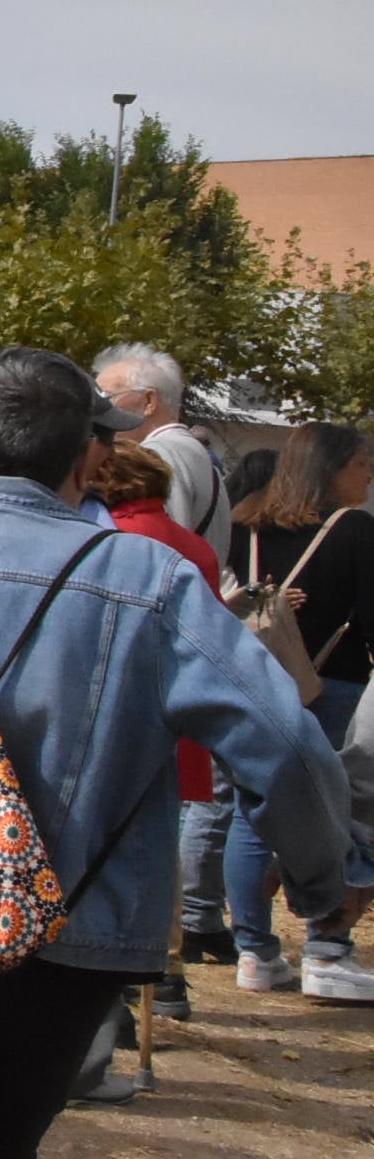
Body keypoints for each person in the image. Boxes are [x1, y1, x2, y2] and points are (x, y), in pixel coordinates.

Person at [0, 347, 353, 1157]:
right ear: (92, 454)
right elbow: (287, 742)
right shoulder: (150, 581)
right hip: (75, 928)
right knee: (9, 1133)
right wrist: (324, 880)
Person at [67, 439, 224, 1097]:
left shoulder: (103, 544)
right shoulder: (196, 548)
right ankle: (162, 974)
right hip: (172, 723)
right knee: (157, 852)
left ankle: (105, 1017)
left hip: (98, 730)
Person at [219, 420, 374, 1001]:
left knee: (250, 811)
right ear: (331, 469)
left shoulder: (245, 526)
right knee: (333, 813)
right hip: (328, 685)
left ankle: (254, 951)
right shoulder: (354, 529)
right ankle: (326, 947)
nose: (368, 474)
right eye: (361, 463)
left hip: (253, 683)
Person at [96, 342, 230, 560]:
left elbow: (160, 546)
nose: (99, 408)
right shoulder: (193, 450)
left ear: (149, 401)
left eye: (107, 397)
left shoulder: (158, 454)